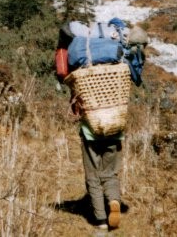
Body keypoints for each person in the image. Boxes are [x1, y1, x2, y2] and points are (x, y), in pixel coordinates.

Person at [56, 18, 128, 232]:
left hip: (91, 129)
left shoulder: (81, 67)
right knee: (110, 173)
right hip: (116, 128)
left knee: (92, 176)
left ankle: (101, 220)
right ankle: (114, 199)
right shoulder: (115, 66)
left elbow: (68, 81)